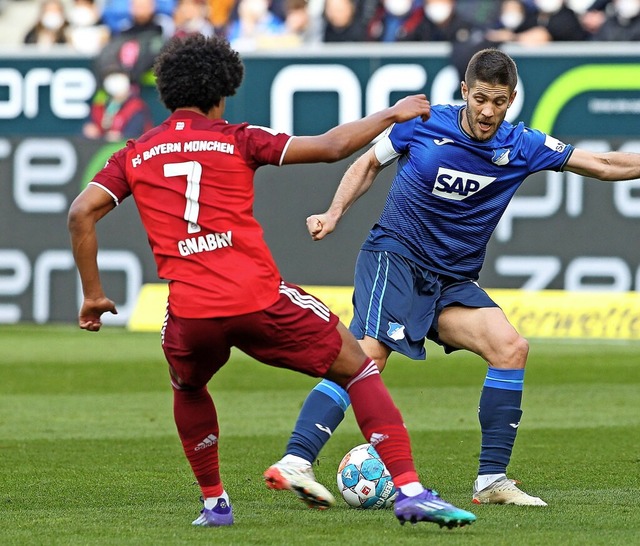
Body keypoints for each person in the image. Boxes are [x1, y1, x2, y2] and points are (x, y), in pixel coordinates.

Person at [67, 34, 476, 529]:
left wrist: (92, 294)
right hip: (257, 299)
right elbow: (330, 147)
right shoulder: (236, 137)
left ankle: (215, 504)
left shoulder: (134, 153)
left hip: (191, 313)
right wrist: (392, 114)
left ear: (167, 91)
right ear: (222, 91)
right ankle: (410, 491)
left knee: (188, 386)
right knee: (360, 368)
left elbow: (81, 212)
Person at [265, 47, 640, 508]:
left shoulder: (521, 145)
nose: (488, 111)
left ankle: (492, 481)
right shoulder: (423, 124)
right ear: (464, 91)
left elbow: (602, 165)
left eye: (499, 101)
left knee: (510, 349)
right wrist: (333, 212)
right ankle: (296, 460)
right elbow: (367, 164)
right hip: (395, 257)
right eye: (480, 98)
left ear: (512, 99)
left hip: (452, 279)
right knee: (367, 359)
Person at [82, 67, 153, 141]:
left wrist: (121, 136)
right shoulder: (100, 106)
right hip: (101, 148)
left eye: (119, 80)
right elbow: (89, 126)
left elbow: (135, 132)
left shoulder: (137, 107)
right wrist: (93, 131)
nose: (116, 84)